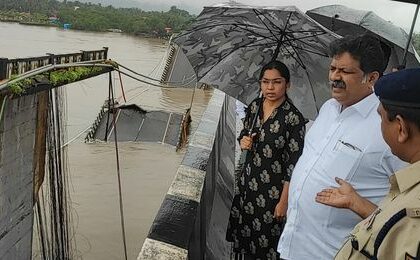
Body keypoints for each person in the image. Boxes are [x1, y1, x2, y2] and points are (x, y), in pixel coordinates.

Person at [277, 34, 405, 259]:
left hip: (333, 253)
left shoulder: (387, 127)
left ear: (372, 77)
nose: (335, 77)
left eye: (345, 72)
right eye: (333, 68)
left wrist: (359, 204)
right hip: (292, 244)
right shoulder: (328, 108)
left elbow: (407, 211)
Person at [316, 68, 420, 259]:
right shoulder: (408, 186)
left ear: (401, 128)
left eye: (380, 117)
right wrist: (356, 202)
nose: (335, 76)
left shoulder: (415, 210)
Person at [226, 60, 305, 260]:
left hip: (272, 194)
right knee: (243, 241)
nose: (270, 87)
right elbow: (245, 131)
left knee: (265, 246)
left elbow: (293, 165)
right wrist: (244, 139)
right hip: (247, 187)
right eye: (265, 82)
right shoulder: (255, 106)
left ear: (288, 85)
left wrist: (283, 202)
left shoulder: (293, 119)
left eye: (276, 82)